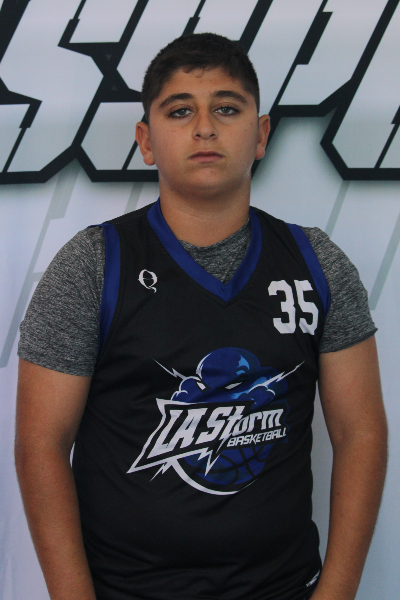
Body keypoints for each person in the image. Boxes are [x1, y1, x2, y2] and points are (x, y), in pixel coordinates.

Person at [15, 33, 387, 600]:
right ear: (146, 140)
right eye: (180, 110)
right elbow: (40, 444)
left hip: (283, 587)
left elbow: (361, 433)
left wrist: (336, 592)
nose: (205, 127)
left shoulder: (316, 262)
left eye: (227, 108)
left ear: (261, 134)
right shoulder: (93, 264)